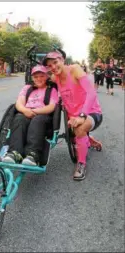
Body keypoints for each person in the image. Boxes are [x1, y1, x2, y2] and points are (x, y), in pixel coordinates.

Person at [43, 52, 103, 181]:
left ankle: (81, 164)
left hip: (92, 113)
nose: (53, 67)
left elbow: (91, 93)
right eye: (49, 65)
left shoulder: (75, 70)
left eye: (55, 62)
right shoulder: (55, 77)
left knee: (79, 129)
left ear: (63, 60)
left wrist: (82, 115)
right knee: (75, 134)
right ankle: (87, 139)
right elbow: (41, 77)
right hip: (72, 117)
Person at [2, 65, 59, 166]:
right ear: (32, 78)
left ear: (46, 76)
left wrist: (35, 112)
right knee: (19, 118)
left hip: (43, 114)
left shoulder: (51, 90)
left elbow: (51, 107)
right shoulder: (27, 88)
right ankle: (15, 153)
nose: (38, 79)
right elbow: (19, 104)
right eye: (36, 77)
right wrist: (25, 111)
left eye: (41, 76)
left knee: (37, 120)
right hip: (26, 112)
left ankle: (32, 154)